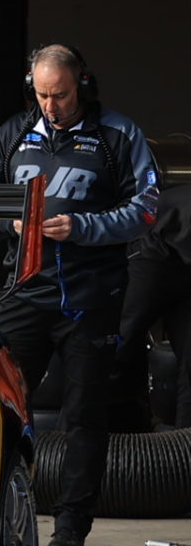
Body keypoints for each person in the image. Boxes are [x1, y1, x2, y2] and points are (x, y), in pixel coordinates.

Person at [0, 43, 161, 546]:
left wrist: (83, 227)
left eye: (59, 95)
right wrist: (8, 225)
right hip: (25, 292)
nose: (51, 106)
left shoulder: (119, 134)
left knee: (85, 416)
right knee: (1, 411)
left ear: (82, 84)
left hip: (92, 297)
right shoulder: (12, 134)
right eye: (41, 95)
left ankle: (71, 530)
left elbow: (147, 208)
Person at [116, 177, 191, 431]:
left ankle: (182, 444)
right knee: (120, 341)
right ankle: (80, 433)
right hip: (153, 248)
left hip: (184, 256)